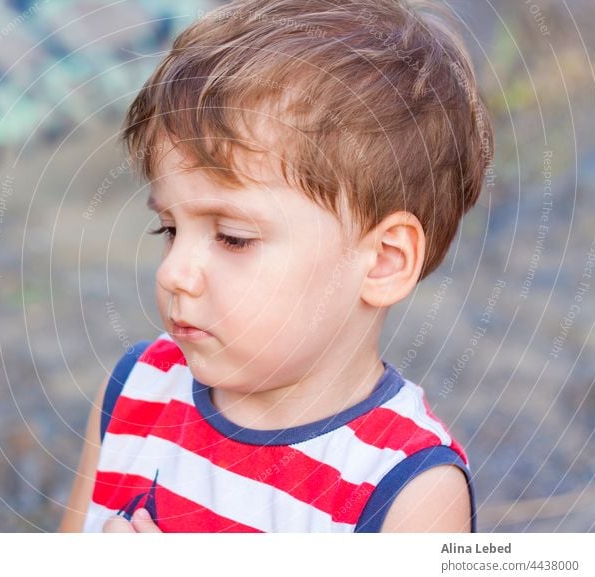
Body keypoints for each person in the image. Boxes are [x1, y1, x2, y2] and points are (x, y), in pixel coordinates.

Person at [59, 0, 493, 533]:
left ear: (381, 262)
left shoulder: (407, 492)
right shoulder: (135, 392)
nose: (173, 272)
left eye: (233, 238)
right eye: (170, 229)